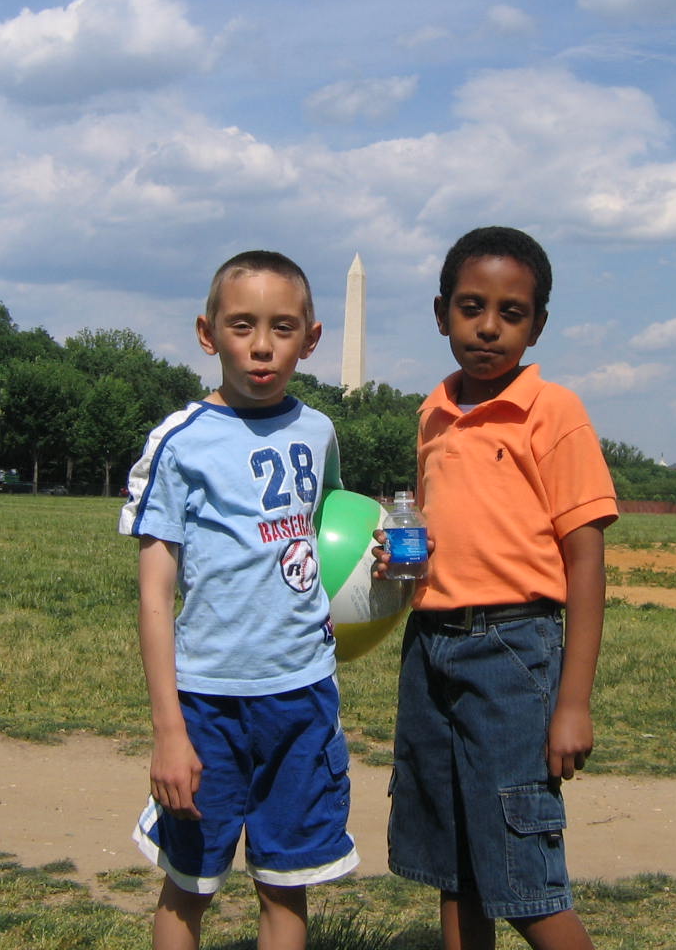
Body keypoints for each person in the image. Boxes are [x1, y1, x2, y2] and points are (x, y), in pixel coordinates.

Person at [379, 226, 617, 950]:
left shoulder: (555, 411)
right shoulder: (433, 412)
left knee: (521, 873)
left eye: (511, 313)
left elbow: (586, 562)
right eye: (470, 306)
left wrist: (572, 702)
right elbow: (443, 535)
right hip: (431, 646)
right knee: (455, 863)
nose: (488, 327)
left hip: (513, 650)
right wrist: (405, 563)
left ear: (538, 323)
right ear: (441, 311)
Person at [121, 250, 358, 950]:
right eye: (242, 325)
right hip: (207, 702)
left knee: (288, 883)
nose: (261, 346)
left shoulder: (319, 431)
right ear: (207, 332)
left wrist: (379, 567)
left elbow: (329, 532)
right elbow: (155, 595)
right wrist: (169, 731)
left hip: (303, 695)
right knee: (188, 883)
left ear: (311, 339)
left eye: (283, 328)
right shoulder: (180, 442)